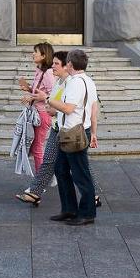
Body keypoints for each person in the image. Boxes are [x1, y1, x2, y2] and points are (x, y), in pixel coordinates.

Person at [15, 50, 101, 207]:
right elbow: (59, 106)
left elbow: (73, 108)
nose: (52, 66)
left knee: (78, 166)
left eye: (56, 64)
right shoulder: (60, 82)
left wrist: (49, 103)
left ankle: (89, 200)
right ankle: (36, 193)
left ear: (67, 65)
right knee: (55, 163)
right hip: (59, 127)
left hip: (72, 130)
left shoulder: (75, 83)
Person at [44, 48, 98, 226]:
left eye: (65, 62)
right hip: (73, 132)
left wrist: (48, 99)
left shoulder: (75, 83)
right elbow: (93, 109)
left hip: (74, 134)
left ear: (70, 64)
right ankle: (69, 209)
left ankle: (87, 213)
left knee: (81, 175)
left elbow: (68, 108)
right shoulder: (89, 81)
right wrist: (93, 132)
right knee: (61, 169)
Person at [18, 42, 54, 172]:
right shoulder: (39, 71)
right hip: (36, 114)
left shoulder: (48, 73)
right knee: (34, 148)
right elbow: (39, 91)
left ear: (44, 56)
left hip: (42, 115)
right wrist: (28, 89)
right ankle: (45, 176)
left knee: (37, 148)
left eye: (35, 52)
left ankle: (42, 178)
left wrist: (34, 97)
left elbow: (53, 95)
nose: (32, 54)